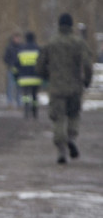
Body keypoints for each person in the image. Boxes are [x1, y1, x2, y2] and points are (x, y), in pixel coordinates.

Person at [36, 13, 93, 164]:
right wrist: (87, 80)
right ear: (71, 25)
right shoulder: (78, 43)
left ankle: (61, 148)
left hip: (56, 88)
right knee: (74, 115)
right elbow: (88, 64)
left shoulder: (51, 43)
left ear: (59, 25)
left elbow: (40, 65)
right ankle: (72, 138)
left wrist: (47, 77)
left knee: (58, 117)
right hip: (75, 86)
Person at [14, 31, 43, 119]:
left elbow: (16, 65)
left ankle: (26, 110)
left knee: (25, 95)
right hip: (36, 77)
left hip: (24, 78)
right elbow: (42, 63)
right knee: (34, 95)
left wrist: (16, 76)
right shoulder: (38, 49)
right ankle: (35, 111)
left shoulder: (21, 50)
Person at [3, 31, 23, 108]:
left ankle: (19, 102)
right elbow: (5, 58)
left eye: (18, 38)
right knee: (10, 86)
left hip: (20, 70)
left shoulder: (21, 47)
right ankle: (9, 102)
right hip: (11, 69)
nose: (17, 39)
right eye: (16, 38)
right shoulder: (9, 47)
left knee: (19, 87)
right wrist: (11, 63)